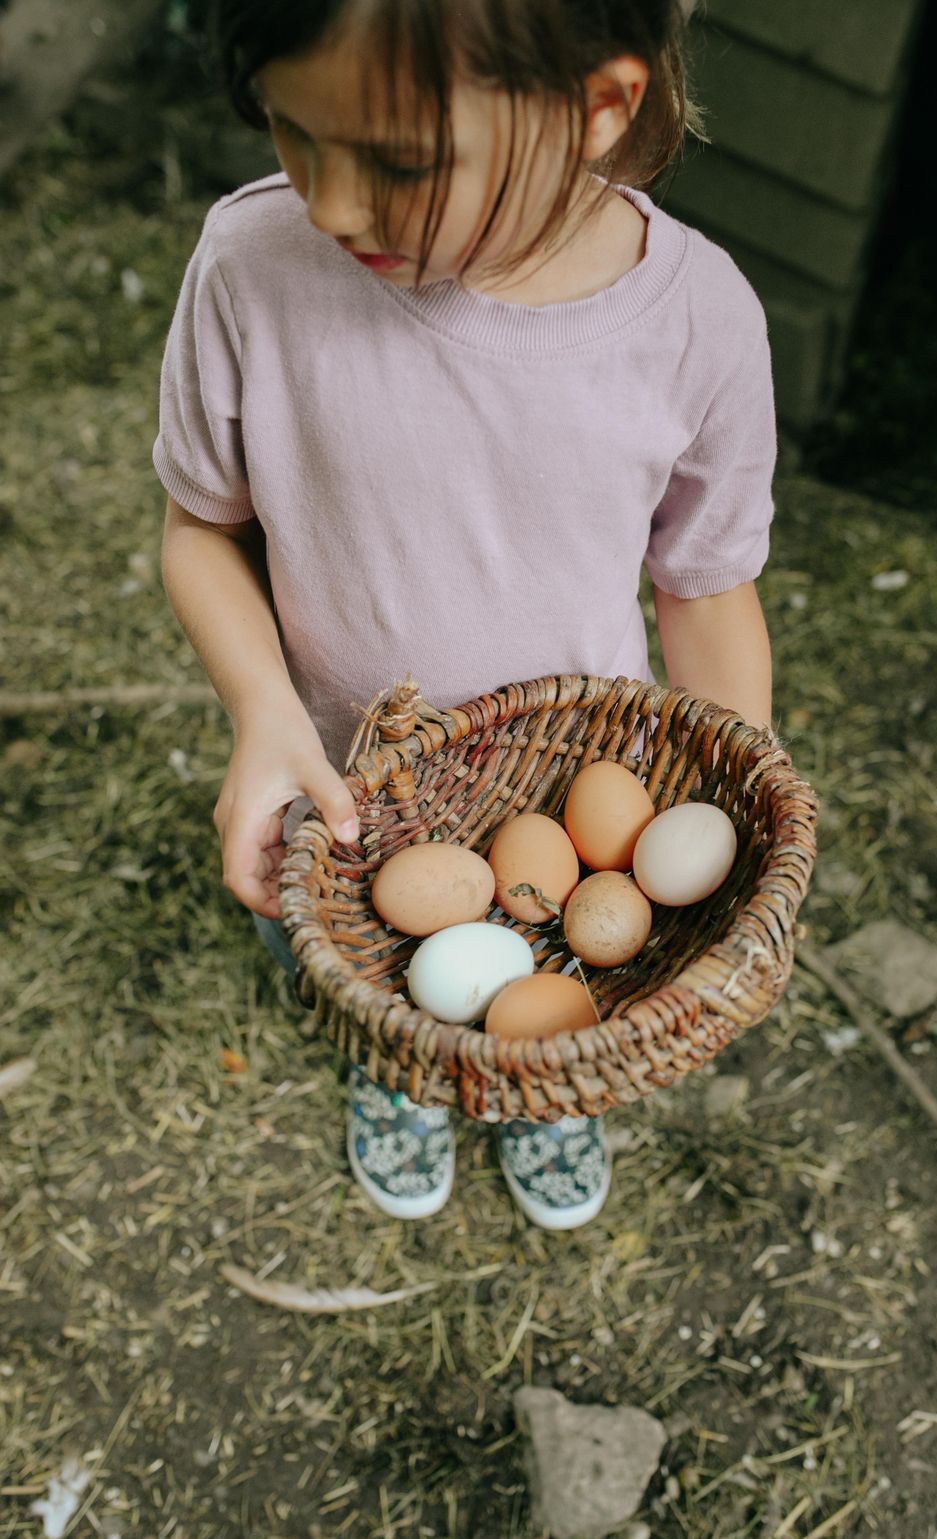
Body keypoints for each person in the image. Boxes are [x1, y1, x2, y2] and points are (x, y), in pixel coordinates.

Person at [156, 0, 776, 1233]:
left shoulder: (697, 326)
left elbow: (703, 585)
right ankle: (398, 1069)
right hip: (342, 793)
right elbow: (198, 529)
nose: (333, 206)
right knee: (378, 983)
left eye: (400, 163)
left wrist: (728, 820)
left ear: (596, 107)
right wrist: (263, 713)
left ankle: (551, 1084)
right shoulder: (253, 267)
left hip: (578, 804)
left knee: (556, 985)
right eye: (293, 133)